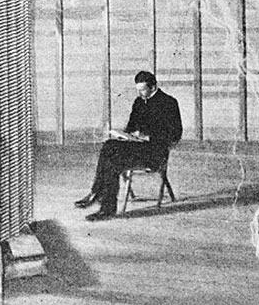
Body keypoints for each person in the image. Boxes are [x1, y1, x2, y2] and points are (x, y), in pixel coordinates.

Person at [75, 70, 182, 221]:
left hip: (155, 153)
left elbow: (175, 134)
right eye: (138, 90)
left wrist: (149, 137)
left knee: (113, 161)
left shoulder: (169, 103)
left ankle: (106, 206)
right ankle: (97, 193)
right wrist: (125, 135)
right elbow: (131, 126)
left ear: (153, 87)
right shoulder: (139, 102)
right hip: (137, 148)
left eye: (142, 90)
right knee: (109, 145)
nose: (140, 93)